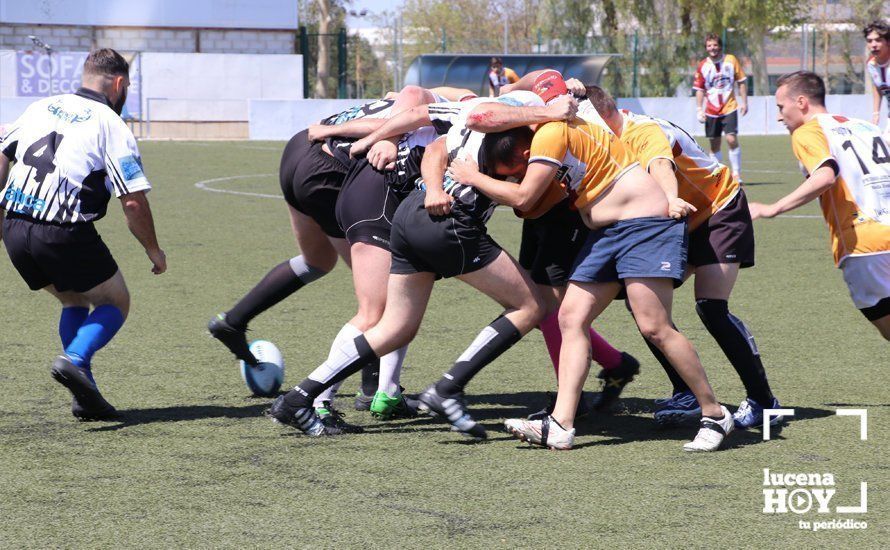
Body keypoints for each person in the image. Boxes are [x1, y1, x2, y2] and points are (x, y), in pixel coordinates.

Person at [268, 89, 571, 440]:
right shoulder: (489, 115)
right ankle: (448, 388)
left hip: (411, 213)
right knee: (531, 305)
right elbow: (522, 195)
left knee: (395, 327)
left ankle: (299, 398)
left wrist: (431, 187)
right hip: (443, 220)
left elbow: (435, 149)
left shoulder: (469, 116)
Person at [489, 109, 733, 452]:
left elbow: (522, 195)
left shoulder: (551, 130)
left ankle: (714, 413)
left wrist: (469, 175)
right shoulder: (560, 136)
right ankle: (561, 424)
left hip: (645, 224)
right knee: (570, 317)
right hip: (607, 232)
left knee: (655, 327)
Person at [208, 86, 443, 432]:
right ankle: (333, 398)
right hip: (330, 168)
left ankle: (234, 320)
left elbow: (400, 101)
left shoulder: (437, 98)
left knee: (318, 260)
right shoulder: (449, 106)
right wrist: (386, 137)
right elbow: (405, 107)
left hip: (300, 149)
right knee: (380, 303)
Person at [583, 86, 780, 430]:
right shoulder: (609, 138)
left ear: (601, 117)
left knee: (711, 307)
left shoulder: (641, 131)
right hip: (683, 219)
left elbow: (660, 164)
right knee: (642, 301)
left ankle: (765, 402)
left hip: (719, 208)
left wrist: (671, 198)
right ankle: (687, 392)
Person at [0, 48, 166, 420]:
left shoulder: (40, 107)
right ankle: (74, 359)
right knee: (115, 303)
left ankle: (85, 396)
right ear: (119, 83)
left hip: (15, 227)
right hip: (62, 232)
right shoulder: (111, 125)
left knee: (73, 301)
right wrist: (154, 249)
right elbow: (133, 202)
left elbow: (2, 157)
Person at [749, 71, 890, 340]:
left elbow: (825, 175)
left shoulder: (807, 132)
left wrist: (773, 207)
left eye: (781, 107)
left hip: (865, 243)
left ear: (801, 102)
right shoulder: (864, 127)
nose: (779, 116)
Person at [694, 33, 747, 182]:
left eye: (715, 45)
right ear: (706, 48)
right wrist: (699, 109)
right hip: (711, 111)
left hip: (729, 107)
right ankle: (719, 176)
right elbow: (699, 89)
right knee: (714, 145)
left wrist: (744, 102)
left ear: (720, 46)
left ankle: (736, 174)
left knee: (731, 139)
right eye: (709, 45)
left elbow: (741, 81)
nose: (713, 48)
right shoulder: (703, 65)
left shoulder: (731, 60)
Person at [865, 20, 890, 136]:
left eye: (878, 40)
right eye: (870, 41)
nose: (873, 44)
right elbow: (877, 87)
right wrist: (876, 113)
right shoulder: (871, 65)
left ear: (888, 42)